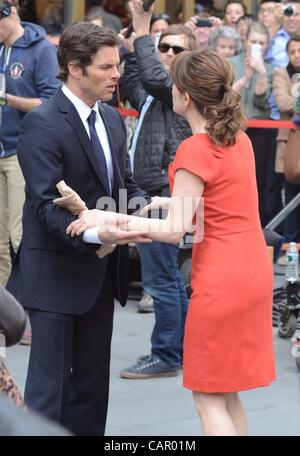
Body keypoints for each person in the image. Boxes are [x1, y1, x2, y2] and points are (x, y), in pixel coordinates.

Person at [69, 49, 276, 436]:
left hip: (221, 278)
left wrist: (107, 216)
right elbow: (223, 204)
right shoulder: (239, 140)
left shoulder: (195, 148)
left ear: (186, 96)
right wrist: (169, 201)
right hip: (253, 271)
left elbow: (172, 231)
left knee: (208, 398)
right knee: (227, 393)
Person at [6, 22, 152, 436]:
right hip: (54, 275)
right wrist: (96, 234)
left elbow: (125, 186)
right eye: (106, 67)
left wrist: (153, 216)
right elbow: (45, 207)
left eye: (117, 65)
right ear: (75, 68)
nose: (117, 75)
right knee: (48, 394)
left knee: (91, 391)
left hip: (103, 276)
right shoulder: (43, 123)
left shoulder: (110, 118)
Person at [118, 0, 193, 379]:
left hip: (164, 189)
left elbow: (151, 78)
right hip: (149, 189)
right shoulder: (157, 89)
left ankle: (166, 354)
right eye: (163, 47)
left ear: (190, 57)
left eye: (177, 49)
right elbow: (134, 84)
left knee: (161, 279)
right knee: (168, 279)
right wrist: (135, 47)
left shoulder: (180, 86)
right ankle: (177, 349)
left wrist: (144, 29)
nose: (167, 54)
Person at [0, 0, 59, 287]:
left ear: (11, 12)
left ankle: (34, 299)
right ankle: (6, 311)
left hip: (21, 152)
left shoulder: (42, 49)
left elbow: (49, 102)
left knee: (20, 233)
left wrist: (6, 98)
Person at [229, 22, 273, 227]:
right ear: (245, 41)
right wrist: (247, 75)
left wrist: (262, 73)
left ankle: (258, 226)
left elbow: (261, 102)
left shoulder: (271, 69)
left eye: (261, 42)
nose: (257, 45)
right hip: (232, 128)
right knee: (232, 180)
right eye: (253, 41)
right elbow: (227, 98)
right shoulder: (230, 63)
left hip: (260, 133)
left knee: (259, 181)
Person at [273, 37, 300, 242]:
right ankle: (290, 245)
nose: (297, 55)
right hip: (290, 143)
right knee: (290, 196)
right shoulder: (281, 73)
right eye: (292, 51)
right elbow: (283, 102)